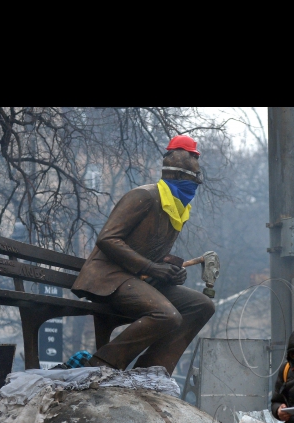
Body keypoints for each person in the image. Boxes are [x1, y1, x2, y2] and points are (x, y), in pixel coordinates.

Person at [71, 135, 215, 373]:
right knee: (167, 315)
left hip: (137, 279)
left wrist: (169, 271)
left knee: (202, 305)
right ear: (177, 176)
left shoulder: (177, 208)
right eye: (190, 179)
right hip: (109, 278)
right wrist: (150, 267)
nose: (193, 186)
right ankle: (101, 364)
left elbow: (153, 254)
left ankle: (150, 371)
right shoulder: (145, 196)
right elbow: (107, 239)